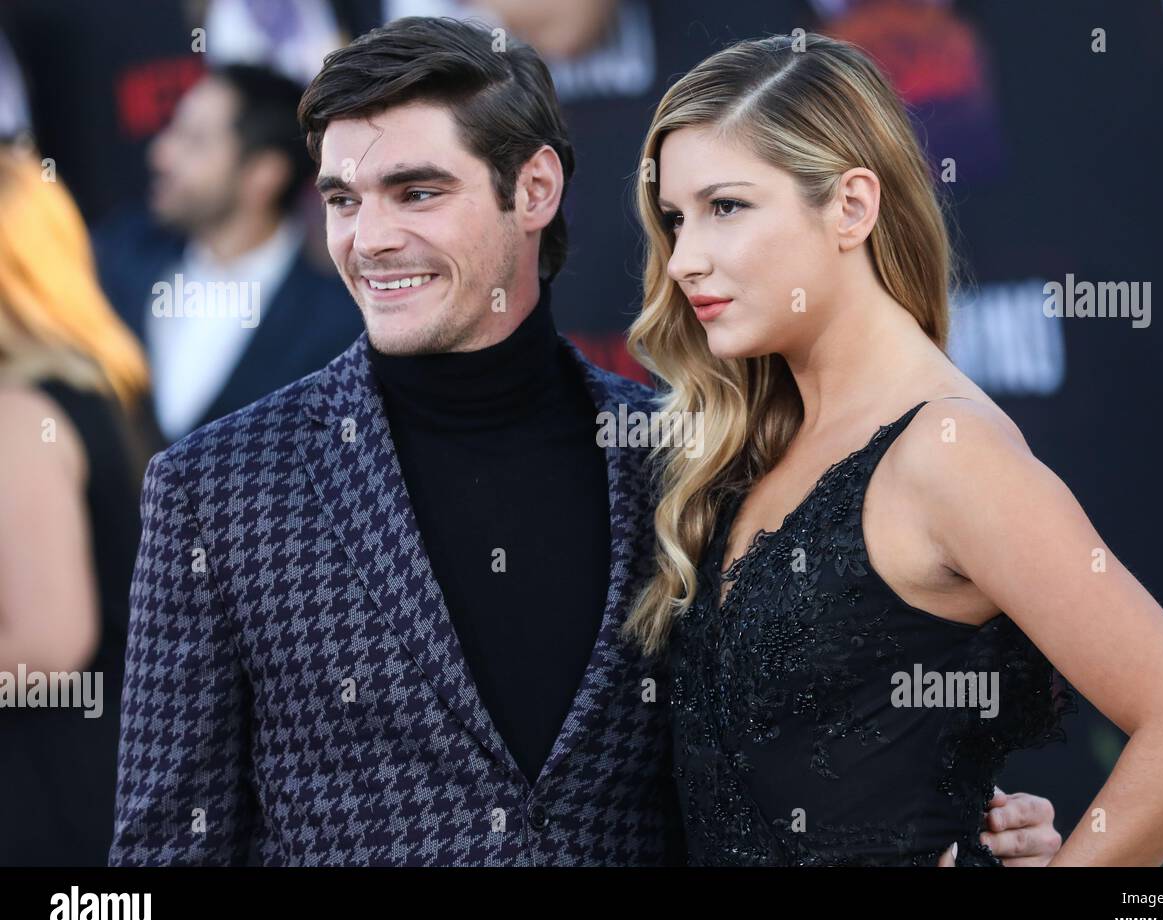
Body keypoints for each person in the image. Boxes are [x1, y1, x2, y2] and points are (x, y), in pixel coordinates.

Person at [110, 16, 1059, 866]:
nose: (369, 238)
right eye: (345, 199)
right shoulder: (219, 487)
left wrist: (960, 822)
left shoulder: (693, 461)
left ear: (533, 188)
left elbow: (787, 774)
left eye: (416, 191)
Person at [622, 33, 1163, 865]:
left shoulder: (949, 452)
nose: (685, 260)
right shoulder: (754, 445)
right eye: (674, 219)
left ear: (851, 207)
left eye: (727, 208)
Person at [0, 148, 162, 865]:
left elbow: (48, 642)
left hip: (48, 791)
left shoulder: (20, 410)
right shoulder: (109, 385)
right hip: (118, 772)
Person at [94, 63, 361, 443]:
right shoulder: (118, 258)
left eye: (195, 141)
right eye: (173, 130)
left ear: (264, 175)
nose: (161, 154)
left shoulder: (337, 329)